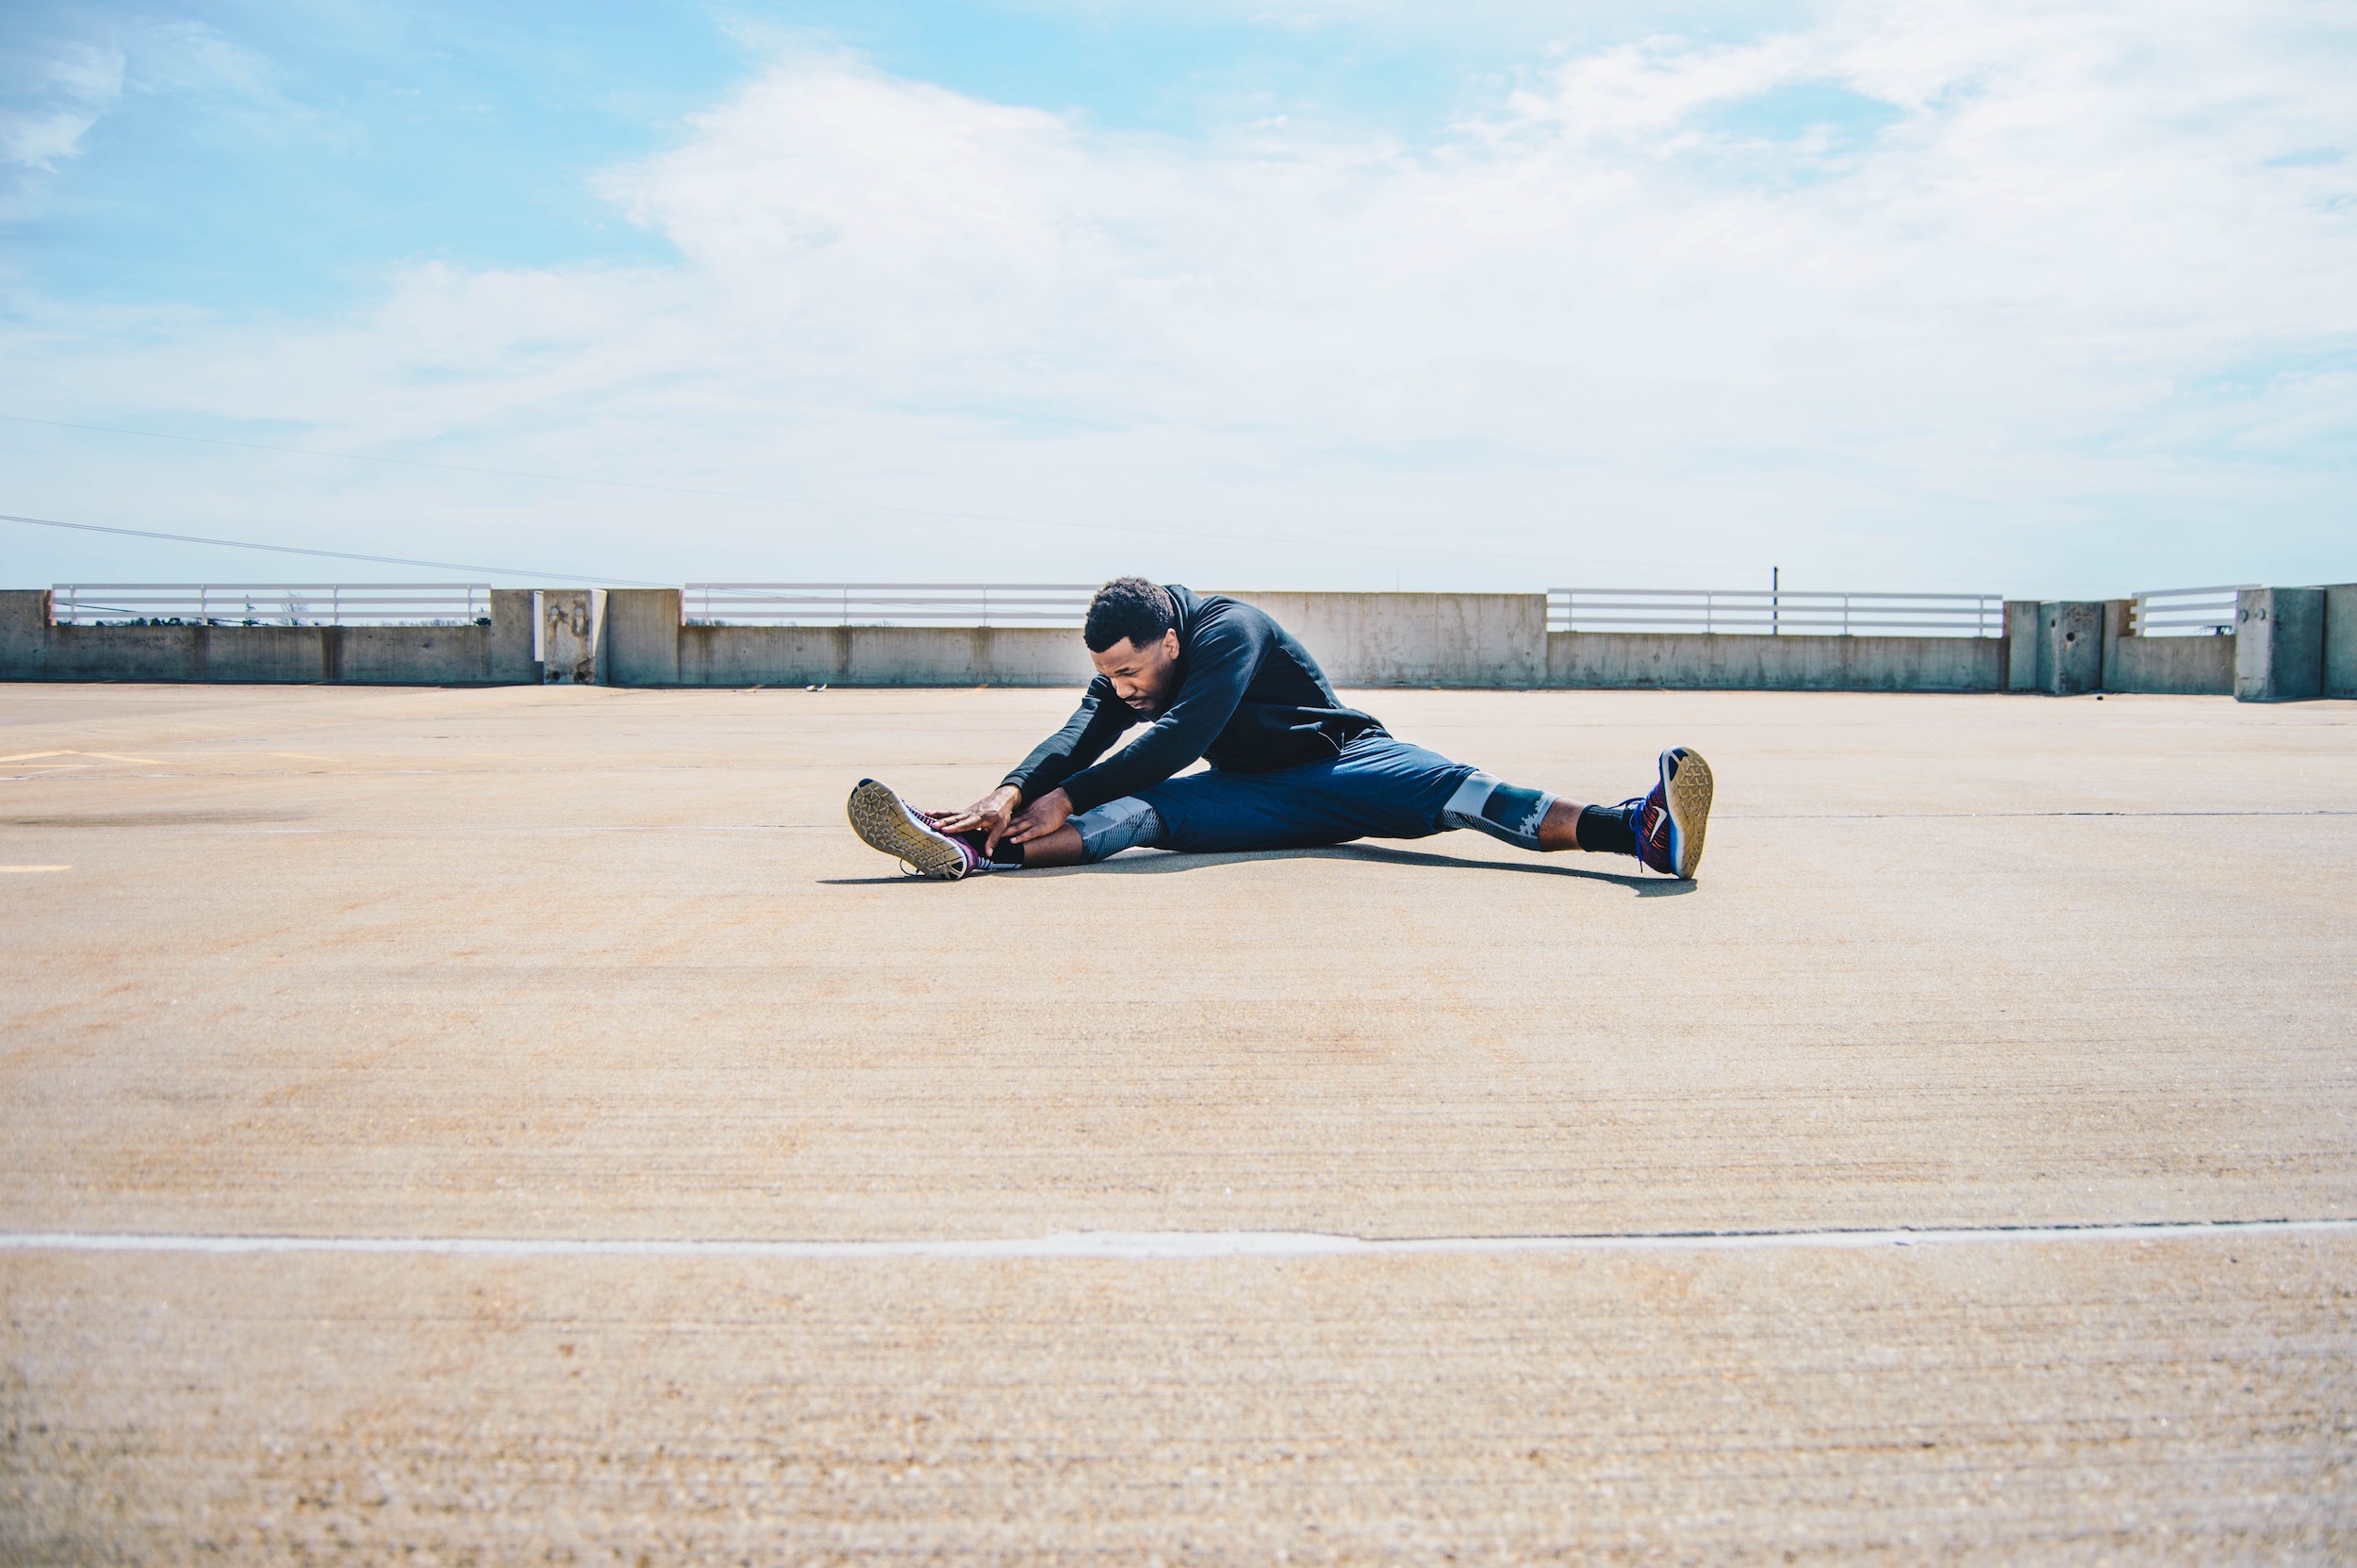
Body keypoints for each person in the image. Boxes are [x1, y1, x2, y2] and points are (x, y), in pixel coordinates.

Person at [846, 577, 1713, 882]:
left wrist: (1066, 789)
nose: (1122, 690)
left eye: (1134, 673)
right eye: (1112, 675)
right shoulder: (1130, 667)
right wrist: (1013, 791)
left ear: (1173, 642)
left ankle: (1638, 828)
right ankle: (969, 850)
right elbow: (1084, 730)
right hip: (1250, 799)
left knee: (1466, 793)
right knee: (1141, 815)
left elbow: (1182, 734)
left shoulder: (1232, 631)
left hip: (1347, 763)